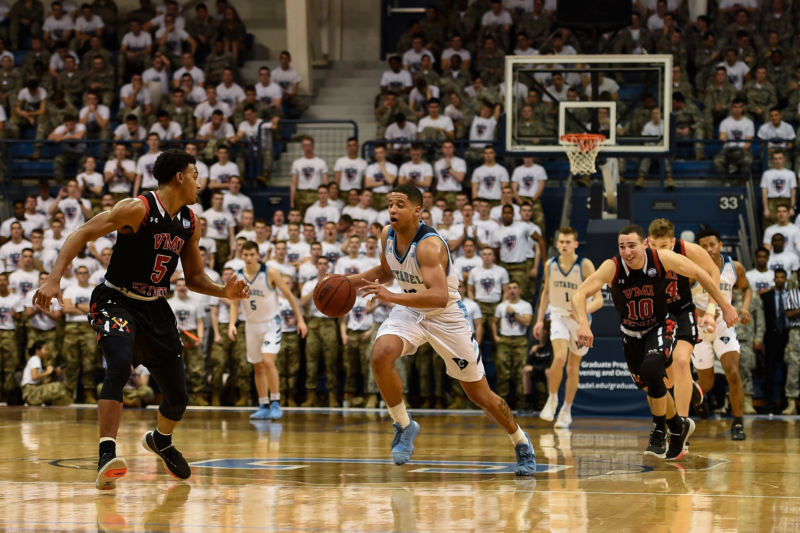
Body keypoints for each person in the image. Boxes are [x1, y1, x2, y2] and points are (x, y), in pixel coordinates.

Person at [32, 149, 249, 491]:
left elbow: (193, 277)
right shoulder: (138, 207)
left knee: (178, 397)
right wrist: (53, 278)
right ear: (179, 176)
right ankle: (107, 455)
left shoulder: (191, 221)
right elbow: (81, 233)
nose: (199, 182)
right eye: (195, 175)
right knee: (119, 365)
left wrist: (226, 292)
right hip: (115, 300)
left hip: (155, 308)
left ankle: (161, 440)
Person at [346, 184, 537, 475]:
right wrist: (348, 282)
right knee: (380, 354)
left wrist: (391, 296)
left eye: (400, 205)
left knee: (479, 395)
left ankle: (521, 441)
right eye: (390, 205)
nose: (393, 210)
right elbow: (386, 272)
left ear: (417, 210)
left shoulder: (429, 245)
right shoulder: (387, 234)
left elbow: (439, 296)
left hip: (445, 317)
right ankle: (403, 425)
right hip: (410, 309)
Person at [572, 224, 737, 460]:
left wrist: (724, 305)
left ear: (643, 245)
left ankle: (659, 431)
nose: (627, 252)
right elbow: (580, 294)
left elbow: (702, 273)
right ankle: (678, 426)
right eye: (622, 247)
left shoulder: (662, 258)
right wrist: (582, 322)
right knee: (654, 388)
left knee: (654, 370)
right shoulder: (613, 267)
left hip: (661, 324)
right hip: (631, 334)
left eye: (632, 246)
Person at [647, 219, 720, 436]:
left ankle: (681, 430)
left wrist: (710, 308)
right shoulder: (640, 252)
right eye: (655, 247)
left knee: (681, 362)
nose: (660, 251)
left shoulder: (689, 249)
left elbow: (713, 272)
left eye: (664, 246)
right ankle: (692, 391)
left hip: (681, 309)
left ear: (673, 241)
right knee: (665, 376)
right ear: (648, 242)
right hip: (657, 314)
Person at [534, 227, 602, 429]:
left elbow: (599, 300)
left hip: (579, 320)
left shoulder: (585, 265)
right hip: (558, 315)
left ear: (575, 244)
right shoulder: (550, 264)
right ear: (557, 244)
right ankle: (552, 399)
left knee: (573, 368)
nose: (564, 245)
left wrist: (582, 311)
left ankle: (566, 410)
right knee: (560, 358)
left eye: (568, 242)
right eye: (561, 241)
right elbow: (546, 292)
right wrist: (539, 320)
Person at [230, 241, 306, 420]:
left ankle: (275, 402)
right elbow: (234, 303)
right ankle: (263, 404)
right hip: (251, 325)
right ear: (242, 255)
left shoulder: (269, 272)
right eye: (245, 255)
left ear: (258, 255)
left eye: (252, 254)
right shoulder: (237, 276)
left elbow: (289, 295)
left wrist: (301, 320)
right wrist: (232, 324)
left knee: (268, 361)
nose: (248, 258)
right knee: (257, 366)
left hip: (271, 323)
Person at [690, 228, 751, 439]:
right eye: (704, 246)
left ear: (720, 245)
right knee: (706, 383)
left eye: (712, 244)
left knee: (732, 372)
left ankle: (738, 423)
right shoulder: (692, 270)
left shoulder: (734, 267)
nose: (708, 249)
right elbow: (681, 301)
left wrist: (744, 307)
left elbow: (746, 289)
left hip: (724, 326)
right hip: (699, 328)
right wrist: (703, 311)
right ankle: (699, 399)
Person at [299, 255, 340, 407]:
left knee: (331, 361)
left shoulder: (335, 284)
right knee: (311, 361)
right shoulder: (310, 284)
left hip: (329, 322)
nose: (322, 266)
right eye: (320, 264)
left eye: (325, 264)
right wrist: (318, 288)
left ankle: (333, 396)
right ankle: (311, 396)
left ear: (328, 267)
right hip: (314, 323)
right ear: (316, 266)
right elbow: (302, 302)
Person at [760, 268, 790, 413]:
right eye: (777, 277)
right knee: (770, 371)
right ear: (774, 279)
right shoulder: (766, 296)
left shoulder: (791, 295)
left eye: (782, 277)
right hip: (771, 337)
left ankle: (785, 402)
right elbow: (762, 319)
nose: (779, 279)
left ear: (786, 279)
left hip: (788, 335)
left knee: (787, 370)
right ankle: (769, 403)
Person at [21, 340, 72, 406]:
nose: (47, 352)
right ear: (37, 351)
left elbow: (41, 383)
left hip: (34, 390)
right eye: (45, 349)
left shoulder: (37, 361)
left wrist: (54, 375)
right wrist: (48, 372)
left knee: (63, 399)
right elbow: (35, 376)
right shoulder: (35, 358)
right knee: (58, 386)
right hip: (30, 392)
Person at [760, 153, 797, 226]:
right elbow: (764, 192)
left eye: (780, 158)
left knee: (786, 223)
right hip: (771, 200)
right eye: (775, 159)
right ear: (773, 160)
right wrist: (766, 209)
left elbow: (793, 192)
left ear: (784, 159)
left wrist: (792, 207)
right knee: (769, 223)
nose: (778, 161)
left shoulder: (791, 174)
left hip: (785, 200)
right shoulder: (767, 174)